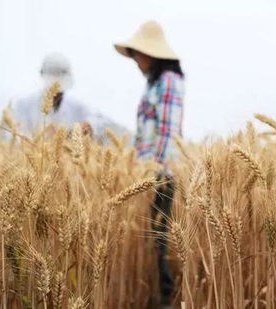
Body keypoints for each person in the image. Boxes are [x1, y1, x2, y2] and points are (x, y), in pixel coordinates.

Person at [114, 20, 185, 308]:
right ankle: (157, 296)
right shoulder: (153, 83)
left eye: (137, 54)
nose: (135, 60)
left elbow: (168, 130)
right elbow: (145, 133)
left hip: (160, 174)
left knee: (160, 238)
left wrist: (154, 172)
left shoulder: (169, 81)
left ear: (151, 54)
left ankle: (166, 298)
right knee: (151, 239)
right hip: (146, 173)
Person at [10, 53, 128, 140]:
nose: (56, 92)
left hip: (66, 167)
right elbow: (14, 135)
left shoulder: (77, 105)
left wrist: (89, 125)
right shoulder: (24, 104)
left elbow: (102, 120)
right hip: (32, 164)